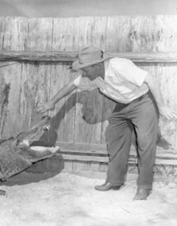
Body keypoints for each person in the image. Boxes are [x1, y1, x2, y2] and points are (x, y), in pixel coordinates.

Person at [36, 46, 177, 200]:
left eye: (85, 69)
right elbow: (71, 86)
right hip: (123, 104)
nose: (84, 73)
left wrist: (162, 106)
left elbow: (150, 79)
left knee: (144, 142)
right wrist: (51, 102)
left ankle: (144, 187)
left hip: (143, 102)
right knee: (114, 136)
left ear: (96, 65)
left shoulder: (120, 66)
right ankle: (114, 181)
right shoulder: (93, 76)